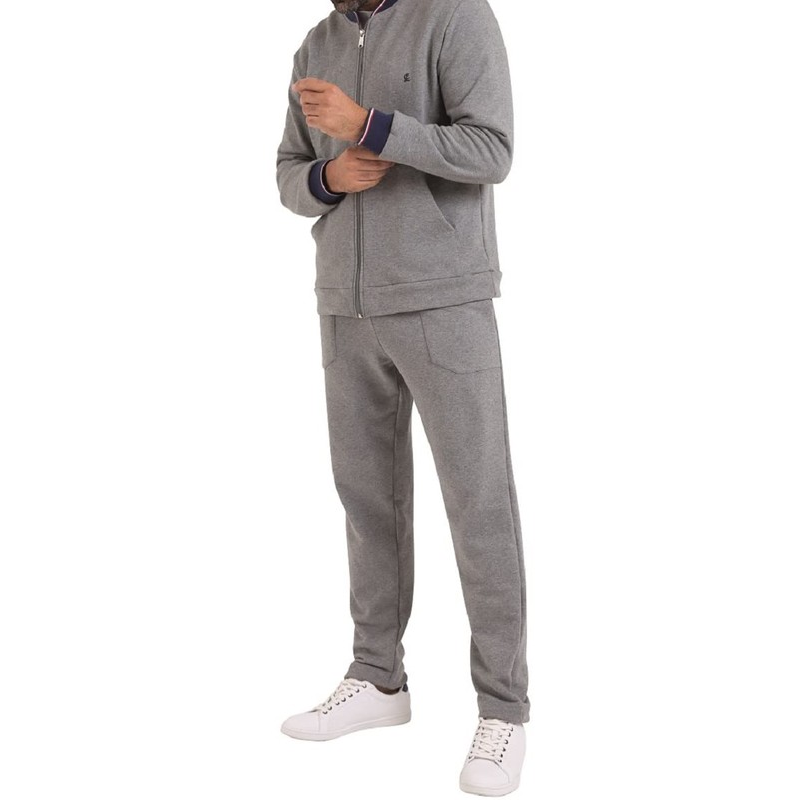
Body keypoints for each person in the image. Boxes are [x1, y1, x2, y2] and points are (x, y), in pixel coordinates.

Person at [275, 0, 529, 793]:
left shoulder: (455, 16)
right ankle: (377, 677)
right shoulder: (314, 44)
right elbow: (287, 174)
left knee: (478, 502)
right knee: (367, 504)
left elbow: (491, 150)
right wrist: (327, 177)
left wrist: (371, 126)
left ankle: (504, 708)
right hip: (344, 307)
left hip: (442, 298)